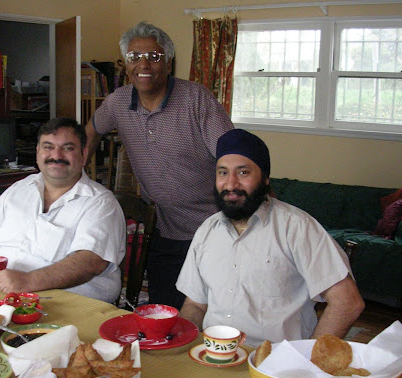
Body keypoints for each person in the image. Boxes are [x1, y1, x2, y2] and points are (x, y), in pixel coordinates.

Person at [86, 22, 234, 310]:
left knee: (217, 314)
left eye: (154, 57)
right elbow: (89, 134)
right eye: (134, 57)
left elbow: (230, 152)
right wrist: (73, 181)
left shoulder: (196, 98)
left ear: (168, 62)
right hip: (165, 228)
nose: (144, 64)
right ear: (125, 64)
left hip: (215, 226)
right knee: (164, 312)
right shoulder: (117, 102)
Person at [176, 129, 365, 346]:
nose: (230, 185)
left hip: (275, 365)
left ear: (265, 179)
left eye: (243, 173)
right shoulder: (207, 231)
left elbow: (347, 303)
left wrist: (308, 361)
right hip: (213, 357)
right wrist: (182, 346)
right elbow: (196, 305)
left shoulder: (296, 228)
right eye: (223, 173)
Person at [0, 117, 126, 303]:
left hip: (69, 304)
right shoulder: (21, 188)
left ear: (84, 155)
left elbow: (90, 262)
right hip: (5, 294)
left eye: (68, 148)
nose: (57, 155)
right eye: (48, 147)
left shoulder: (100, 203)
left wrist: (28, 281)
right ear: (37, 153)